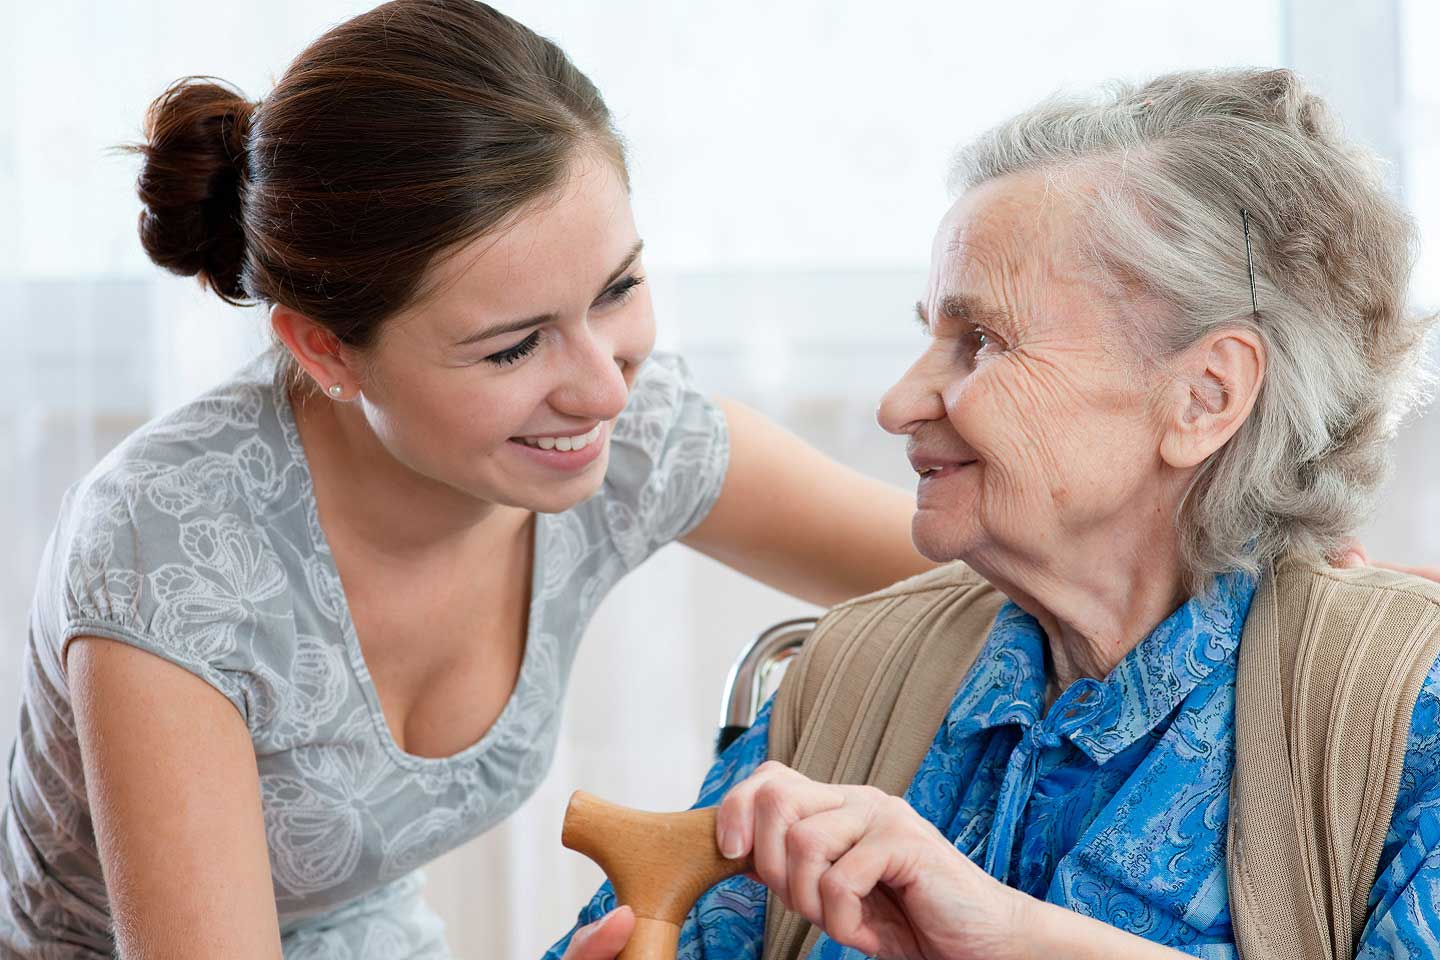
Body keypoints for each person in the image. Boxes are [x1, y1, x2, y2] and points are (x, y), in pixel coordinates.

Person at [0, 2, 937, 956]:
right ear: (326, 346)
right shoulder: (167, 549)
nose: (603, 388)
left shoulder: (634, 434)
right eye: (513, 348)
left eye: (617, 289)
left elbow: (977, 567)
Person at [550, 68, 1440, 960]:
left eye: (980, 340)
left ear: (1206, 396)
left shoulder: (1405, 711)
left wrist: (1010, 937)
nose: (899, 404)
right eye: (930, 336)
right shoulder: (854, 672)